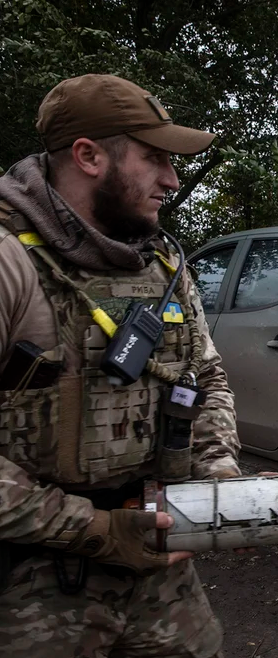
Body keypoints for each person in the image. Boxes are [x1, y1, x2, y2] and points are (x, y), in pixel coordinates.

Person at [0, 74, 241, 657]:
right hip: (32, 574)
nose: (172, 180)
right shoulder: (10, 262)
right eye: (154, 158)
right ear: (87, 155)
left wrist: (220, 475)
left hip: (157, 560)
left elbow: (205, 376)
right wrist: (99, 532)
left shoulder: (161, 267)